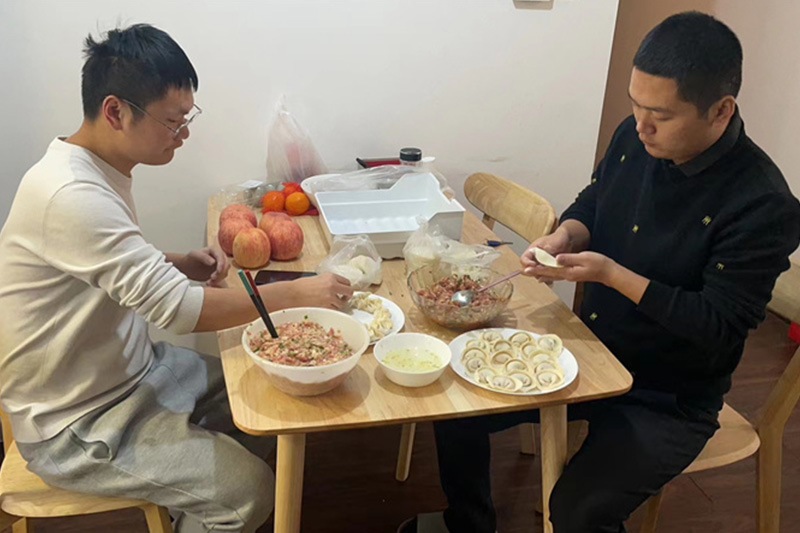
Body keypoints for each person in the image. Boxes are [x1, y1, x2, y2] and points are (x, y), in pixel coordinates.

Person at [400, 11, 800, 533]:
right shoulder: (635, 137)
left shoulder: (762, 204)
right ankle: (468, 523)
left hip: (668, 396)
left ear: (721, 110)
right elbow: (595, 199)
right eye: (636, 105)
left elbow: (716, 326)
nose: (641, 125)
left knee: (576, 511)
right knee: (456, 404)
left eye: (661, 115)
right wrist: (566, 235)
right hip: (590, 349)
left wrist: (611, 275)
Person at [0, 24, 352, 533]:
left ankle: (192, 500)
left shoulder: (91, 169)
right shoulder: (70, 193)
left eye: (186, 119)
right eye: (171, 121)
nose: (182, 135)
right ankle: (210, 504)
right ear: (115, 112)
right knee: (248, 494)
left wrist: (178, 263)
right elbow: (181, 312)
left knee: (266, 397)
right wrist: (296, 292)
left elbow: (107, 263)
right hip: (77, 421)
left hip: (133, 374)